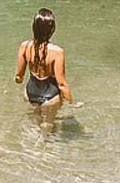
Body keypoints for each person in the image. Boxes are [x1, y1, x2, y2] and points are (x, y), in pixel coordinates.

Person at [14, 8, 78, 137]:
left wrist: (19, 79)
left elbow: (19, 77)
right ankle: (43, 144)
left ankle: (33, 139)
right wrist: (72, 103)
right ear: (52, 29)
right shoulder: (57, 51)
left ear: (34, 27)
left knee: (37, 117)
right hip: (50, 96)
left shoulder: (24, 46)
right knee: (48, 123)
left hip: (30, 92)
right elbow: (61, 84)